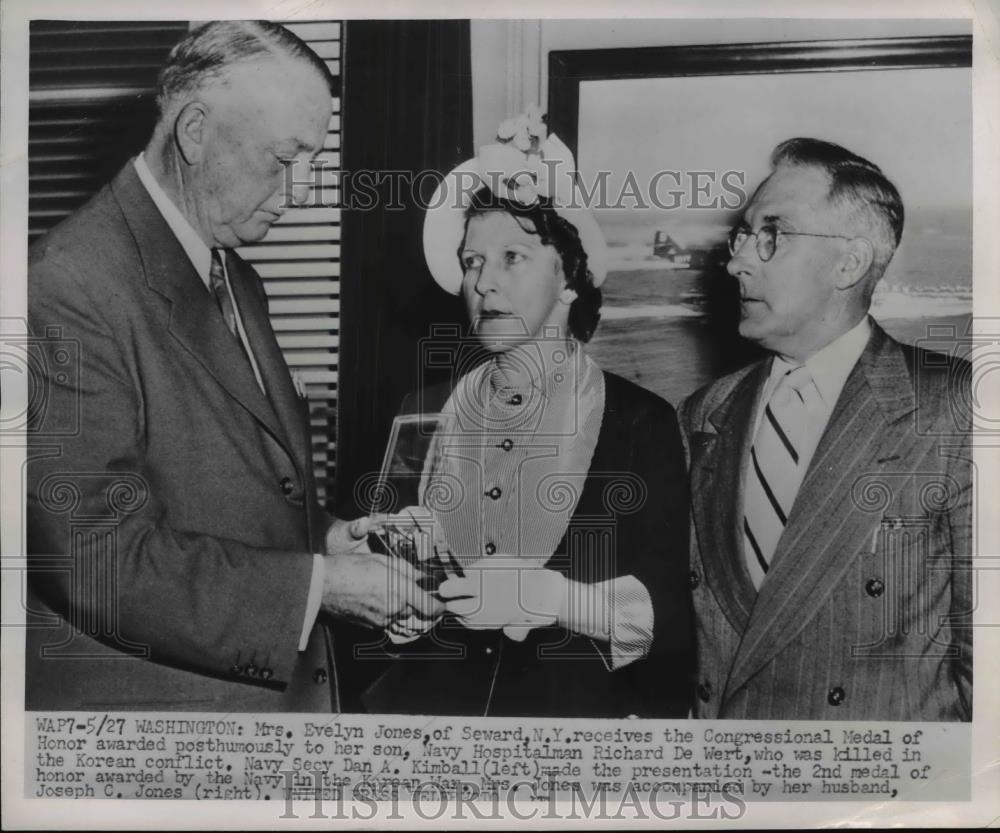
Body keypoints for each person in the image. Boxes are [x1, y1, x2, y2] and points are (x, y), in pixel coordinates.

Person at [26, 20, 438, 712]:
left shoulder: (235, 274)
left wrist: (334, 537)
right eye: (285, 158)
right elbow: (96, 558)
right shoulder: (61, 287)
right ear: (194, 132)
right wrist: (322, 587)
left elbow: (244, 489)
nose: (302, 191)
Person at [358, 113, 694, 717]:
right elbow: (389, 599)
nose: (484, 283)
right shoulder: (423, 412)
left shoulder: (640, 421)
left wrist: (552, 598)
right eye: (471, 262)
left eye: (512, 257)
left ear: (571, 281)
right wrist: (397, 604)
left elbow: (668, 624)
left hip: (569, 739)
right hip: (430, 727)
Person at [680, 137, 972, 720]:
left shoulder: (955, 408)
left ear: (849, 262)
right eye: (743, 235)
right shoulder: (704, 414)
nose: (737, 260)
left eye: (773, 234)